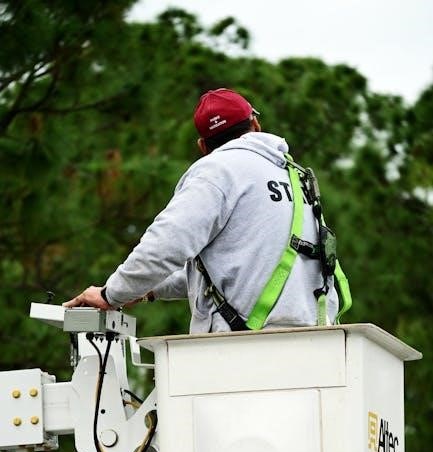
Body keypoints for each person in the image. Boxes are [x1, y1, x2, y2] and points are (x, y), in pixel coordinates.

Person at [63, 87, 340, 332]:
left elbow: (165, 245)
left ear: (203, 146)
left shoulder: (217, 170)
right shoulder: (295, 177)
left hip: (246, 347)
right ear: (255, 125)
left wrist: (111, 294)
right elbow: (233, 270)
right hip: (316, 339)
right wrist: (147, 288)